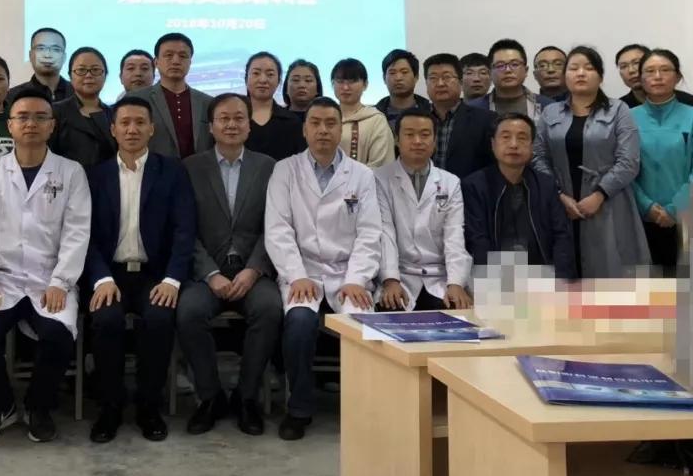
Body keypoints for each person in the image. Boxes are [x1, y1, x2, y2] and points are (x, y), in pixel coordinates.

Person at [0, 88, 91, 445]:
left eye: (39, 117)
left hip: (48, 277)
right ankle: (1, 405)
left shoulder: (71, 172)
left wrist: (61, 281)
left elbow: (77, 232)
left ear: (52, 125)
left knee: (57, 334)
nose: (30, 124)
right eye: (22, 117)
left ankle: (39, 406)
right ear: (10, 126)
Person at [264, 97, 381, 440]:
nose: (323, 130)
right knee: (300, 324)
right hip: (303, 271)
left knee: (364, 328)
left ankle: (363, 406)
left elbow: (370, 232)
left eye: (331, 123)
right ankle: (299, 408)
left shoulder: (362, 175)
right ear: (304, 129)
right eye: (315, 123)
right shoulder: (285, 170)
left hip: (348, 273)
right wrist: (296, 274)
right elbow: (278, 229)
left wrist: (357, 279)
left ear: (340, 128)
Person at [86, 96, 197, 443]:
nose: (132, 129)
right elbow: (83, 235)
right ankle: (110, 407)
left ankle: (149, 406)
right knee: (105, 320)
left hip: (155, 274)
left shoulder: (172, 171)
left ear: (152, 128)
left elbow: (184, 230)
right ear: (113, 129)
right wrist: (101, 278)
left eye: (139, 123)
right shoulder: (96, 175)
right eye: (124, 123)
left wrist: (172, 279)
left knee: (159, 319)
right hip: (111, 273)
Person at [177, 94, 281, 436]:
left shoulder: (269, 167)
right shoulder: (191, 167)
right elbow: (185, 229)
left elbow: (276, 226)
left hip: (254, 270)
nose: (232, 124)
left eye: (239, 118)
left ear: (249, 125)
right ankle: (210, 398)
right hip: (207, 273)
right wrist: (210, 274)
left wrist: (254, 269)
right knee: (189, 312)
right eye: (224, 118)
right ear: (211, 126)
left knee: (269, 309)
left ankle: (246, 398)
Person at [533, 46, 650, 278]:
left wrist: (599, 194)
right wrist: (559, 195)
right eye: (573, 68)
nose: (581, 73)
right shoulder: (550, 113)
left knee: (611, 273)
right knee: (565, 274)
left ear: (601, 76)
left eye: (588, 68)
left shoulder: (618, 110)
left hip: (610, 202)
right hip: (562, 204)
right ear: (565, 76)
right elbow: (537, 156)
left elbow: (629, 160)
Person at [373, 107, 472, 311]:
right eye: (409, 134)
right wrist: (390, 280)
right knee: (390, 313)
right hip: (400, 274)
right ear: (397, 140)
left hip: (439, 276)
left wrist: (455, 283)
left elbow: (454, 235)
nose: (417, 141)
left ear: (434, 142)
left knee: (459, 313)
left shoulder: (450, 182)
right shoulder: (379, 178)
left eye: (425, 135)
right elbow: (385, 233)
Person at [630, 50, 693, 274]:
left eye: (665, 70)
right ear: (641, 79)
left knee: (688, 283)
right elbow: (622, 169)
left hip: (686, 216)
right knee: (646, 284)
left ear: (677, 77)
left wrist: (674, 209)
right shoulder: (628, 118)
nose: (657, 76)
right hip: (639, 217)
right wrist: (646, 206)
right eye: (650, 71)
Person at [462, 113, 576, 279]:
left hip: (543, 275)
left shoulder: (546, 185)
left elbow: (561, 237)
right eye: (506, 137)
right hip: (494, 278)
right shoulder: (474, 186)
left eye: (522, 138)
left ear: (532, 146)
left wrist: (560, 280)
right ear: (493, 144)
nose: (514, 144)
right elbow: (477, 241)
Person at [131, 33, 213, 159]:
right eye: (168, 55)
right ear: (156, 62)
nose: (176, 61)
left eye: (182, 56)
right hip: (152, 169)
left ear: (190, 62)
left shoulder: (207, 102)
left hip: (198, 170)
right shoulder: (137, 100)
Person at [423, 53, 497, 180]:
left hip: (467, 190)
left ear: (461, 82)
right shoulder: (415, 119)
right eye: (433, 78)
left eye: (446, 77)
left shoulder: (486, 120)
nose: (440, 83)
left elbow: (493, 167)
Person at [50, 47, 116, 171]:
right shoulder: (55, 112)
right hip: (67, 180)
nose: (89, 75)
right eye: (81, 70)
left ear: (105, 75)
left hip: (108, 180)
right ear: (70, 76)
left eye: (95, 70)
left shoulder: (114, 114)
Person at [331, 58, 395, 169]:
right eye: (340, 81)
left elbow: (381, 165)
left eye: (352, 81)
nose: (345, 87)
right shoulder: (325, 118)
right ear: (333, 84)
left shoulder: (375, 120)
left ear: (365, 84)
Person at [468, 39, 554, 119]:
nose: (508, 70)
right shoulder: (472, 109)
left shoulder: (548, 106)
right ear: (490, 72)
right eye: (500, 65)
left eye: (514, 64)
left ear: (526, 70)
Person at [243, 51, 306, 161]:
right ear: (246, 79)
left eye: (270, 74)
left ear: (279, 81)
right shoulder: (233, 118)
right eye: (256, 73)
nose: (263, 80)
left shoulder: (292, 122)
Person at [615, 44, 693, 108]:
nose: (631, 70)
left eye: (636, 63)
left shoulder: (688, 102)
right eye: (623, 66)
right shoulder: (619, 108)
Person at [7, 27, 71, 104]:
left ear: (64, 57)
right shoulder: (13, 96)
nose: (47, 55)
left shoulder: (78, 92)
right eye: (41, 49)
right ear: (30, 55)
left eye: (55, 49)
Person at [375, 49, 429, 132]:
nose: (398, 78)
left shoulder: (431, 112)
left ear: (416, 77)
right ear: (384, 78)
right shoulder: (374, 115)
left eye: (404, 72)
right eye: (392, 73)